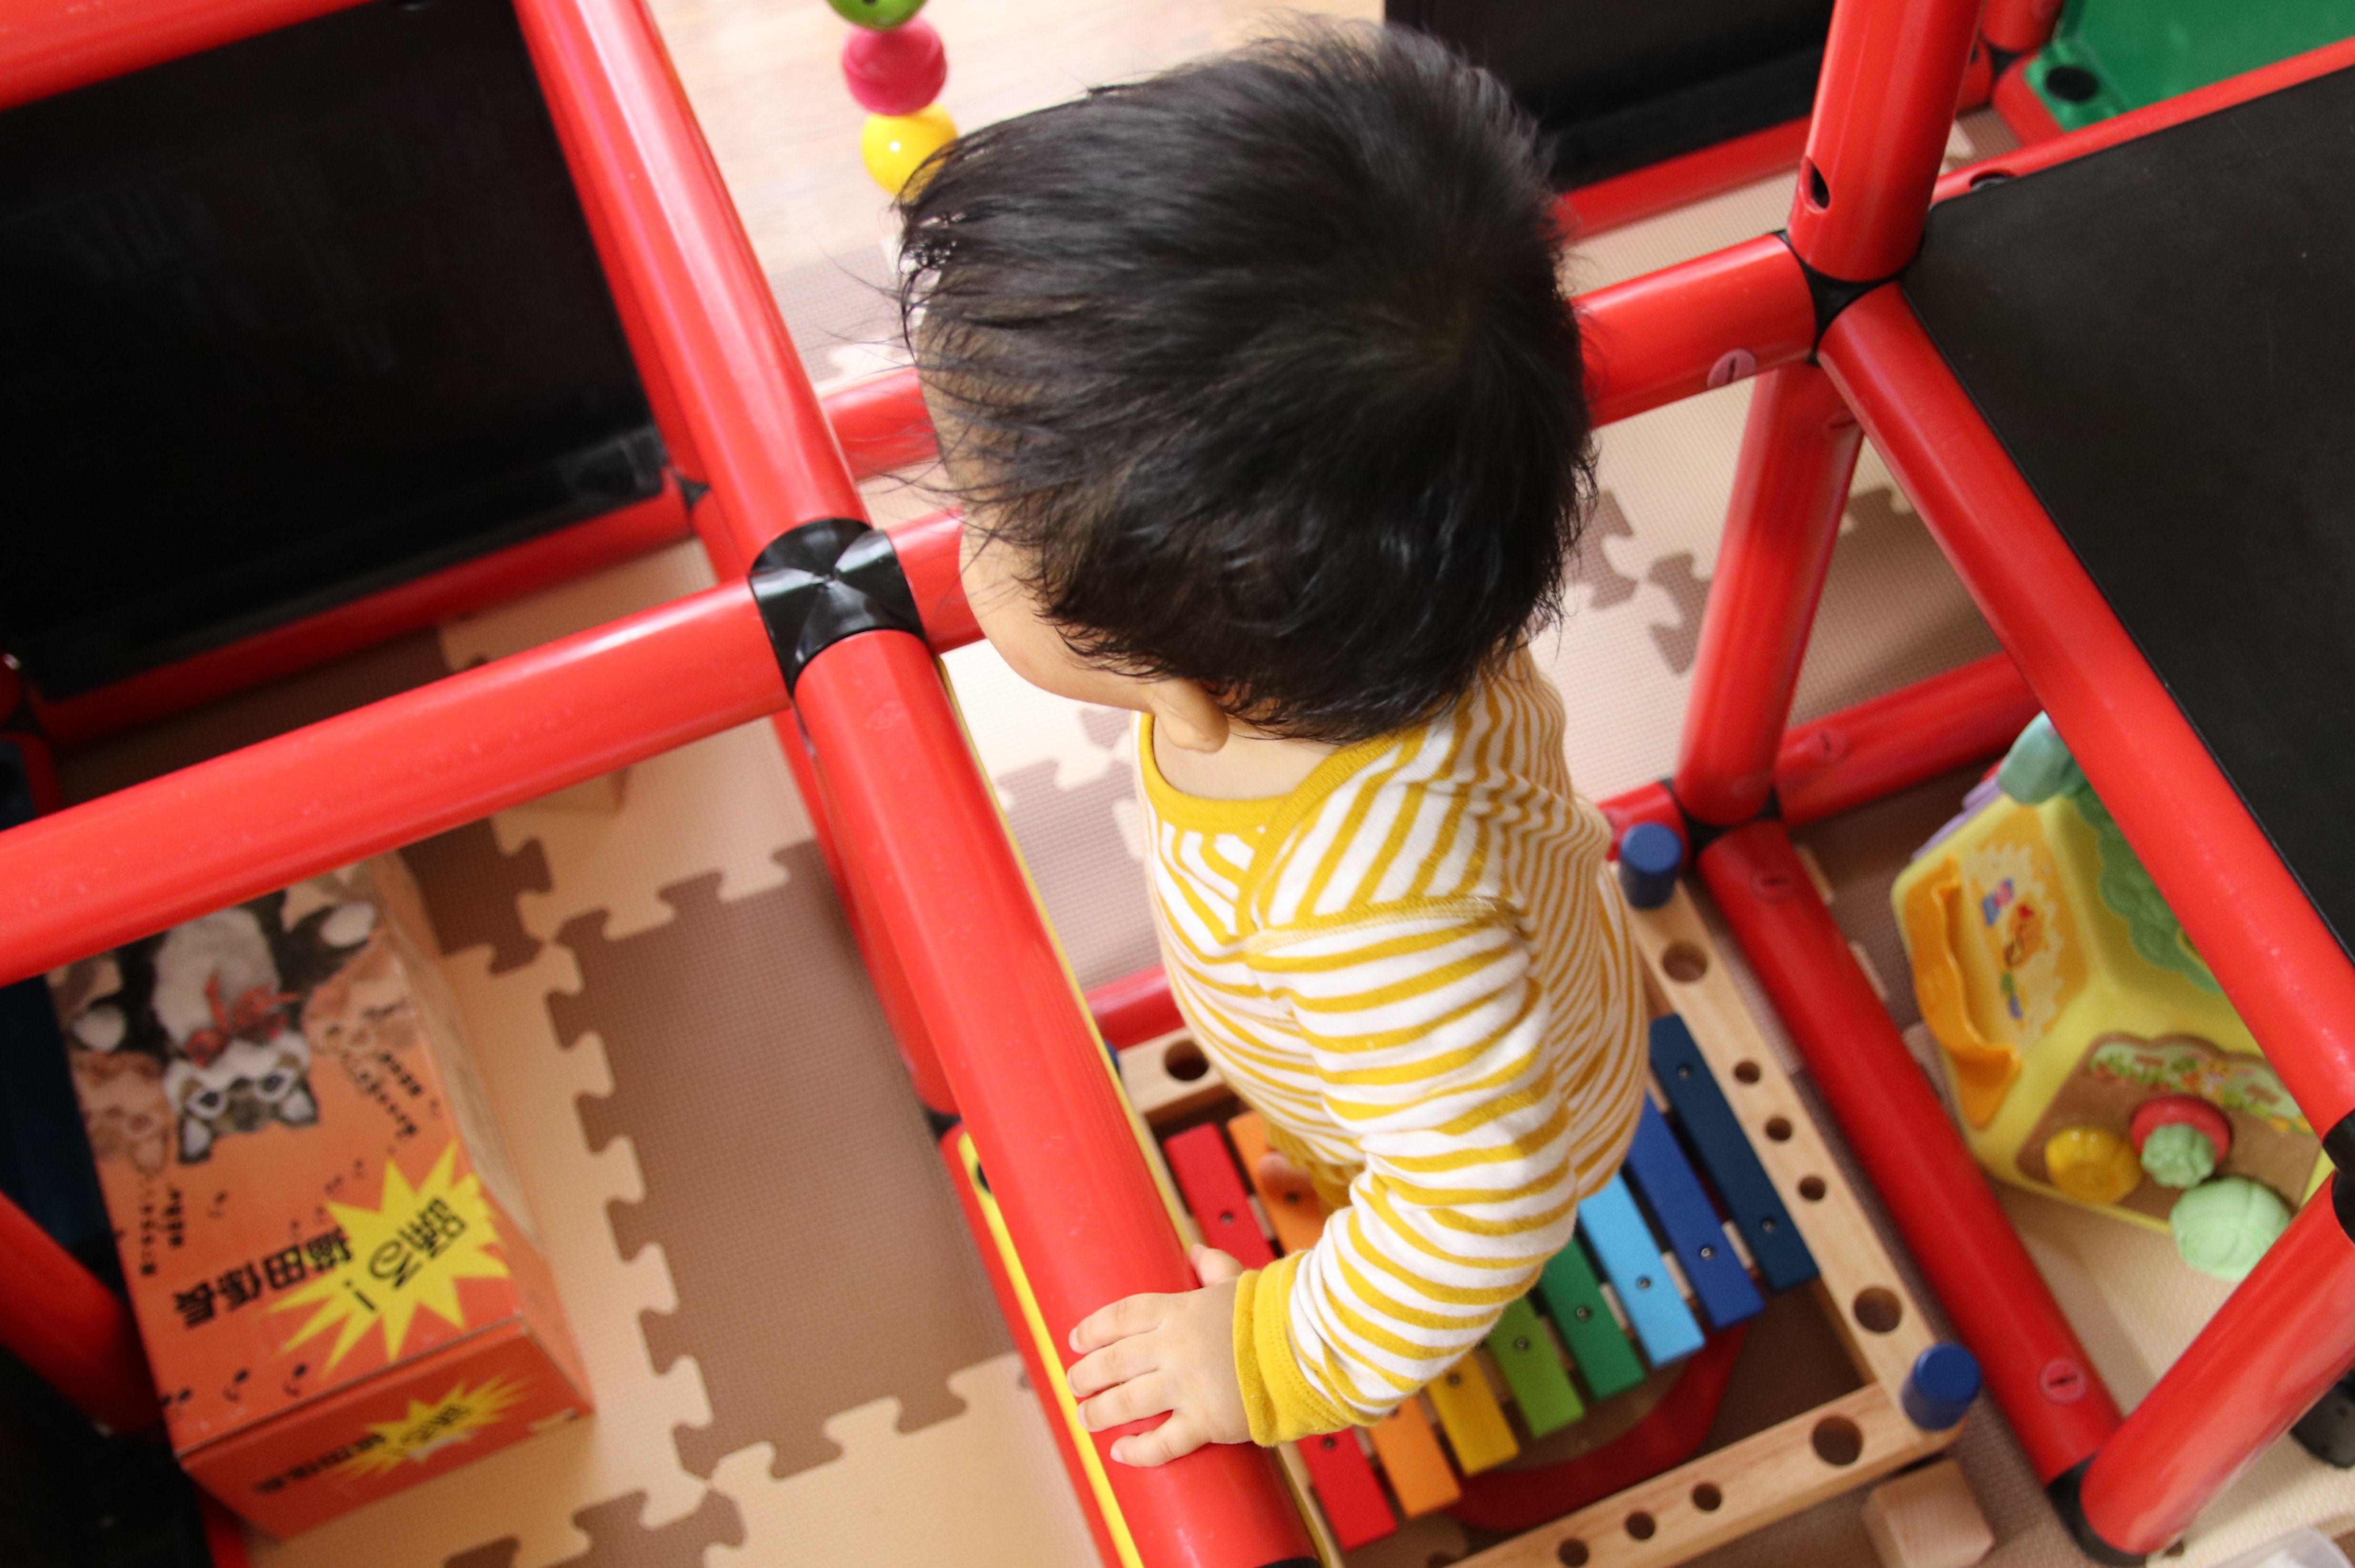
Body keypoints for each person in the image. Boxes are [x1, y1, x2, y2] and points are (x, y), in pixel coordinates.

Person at [897, 19, 1647, 1467]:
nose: (958, 540)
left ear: (1187, 671)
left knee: (1442, 1200)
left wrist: (1263, 1359)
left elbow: (1474, 1205)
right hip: (1489, 1016)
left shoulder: (1366, 904)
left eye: (986, 520)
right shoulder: (1404, 584)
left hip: (1492, 1129)